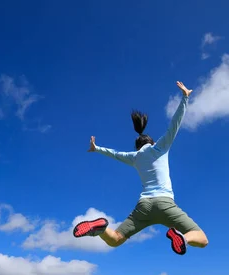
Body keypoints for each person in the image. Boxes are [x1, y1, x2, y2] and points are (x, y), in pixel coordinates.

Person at [73, 81, 208, 255]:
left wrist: (97, 148)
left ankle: (99, 229)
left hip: (144, 206)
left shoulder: (135, 157)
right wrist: (185, 98)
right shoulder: (159, 148)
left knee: (115, 239)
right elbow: (174, 125)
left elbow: (115, 153)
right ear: (151, 142)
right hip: (165, 203)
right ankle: (183, 238)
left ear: (137, 147)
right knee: (201, 239)